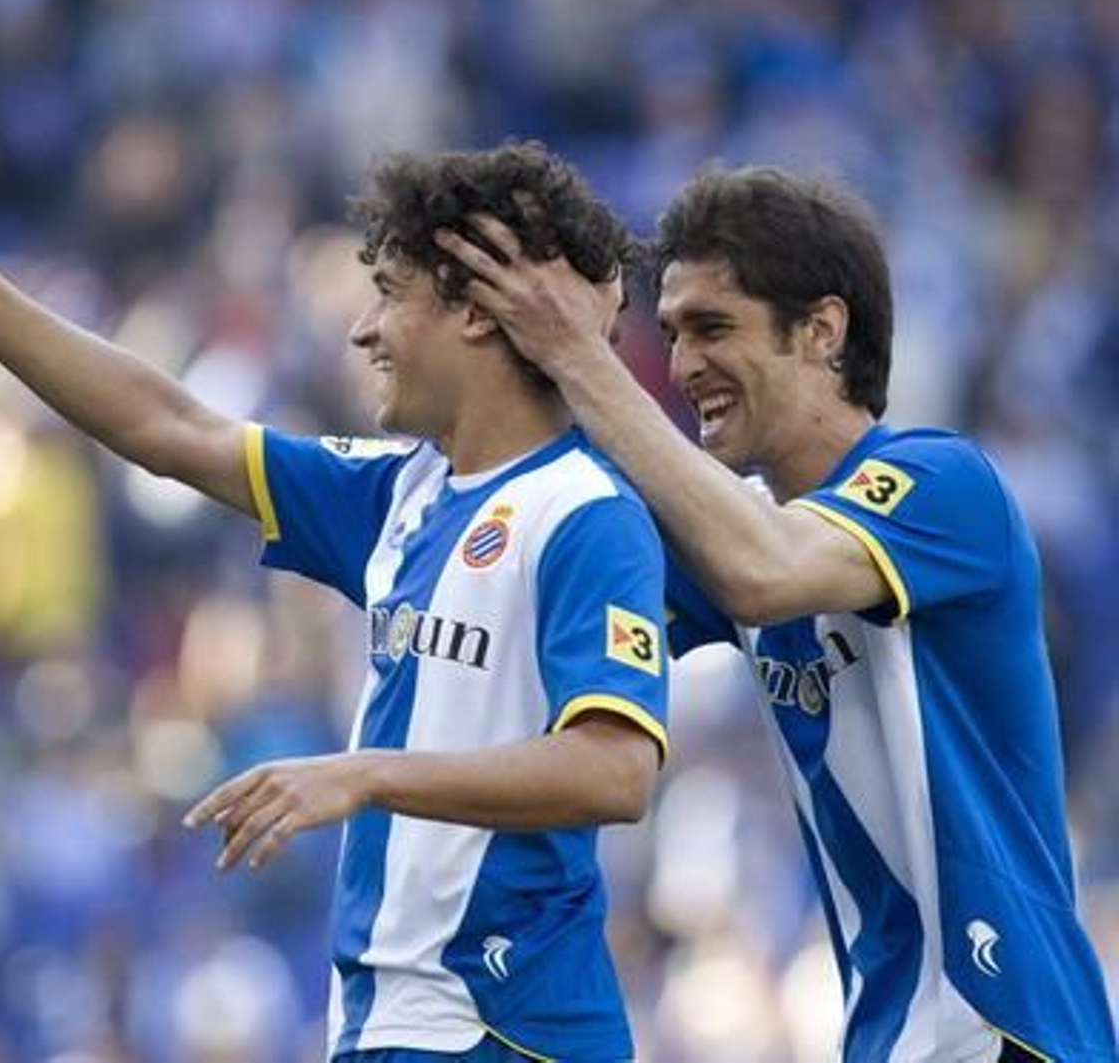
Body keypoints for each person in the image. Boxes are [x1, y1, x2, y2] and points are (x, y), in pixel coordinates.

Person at [0, 142, 667, 1062]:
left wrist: (363, 773)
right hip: (391, 1023)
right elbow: (167, 426)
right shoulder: (399, 496)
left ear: (476, 312)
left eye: (391, 292)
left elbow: (614, 772)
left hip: (509, 1031)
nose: (363, 329)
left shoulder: (584, 513)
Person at [435, 166, 1118, 1062]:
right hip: (887, 1036)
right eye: (671, 333)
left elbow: (765, 566)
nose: (681, 367)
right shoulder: (732, 532)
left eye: (714, 327)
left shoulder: (941, 483)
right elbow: (526, 587)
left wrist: (580, 358)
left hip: (1010, 1026)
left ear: (823, 330)